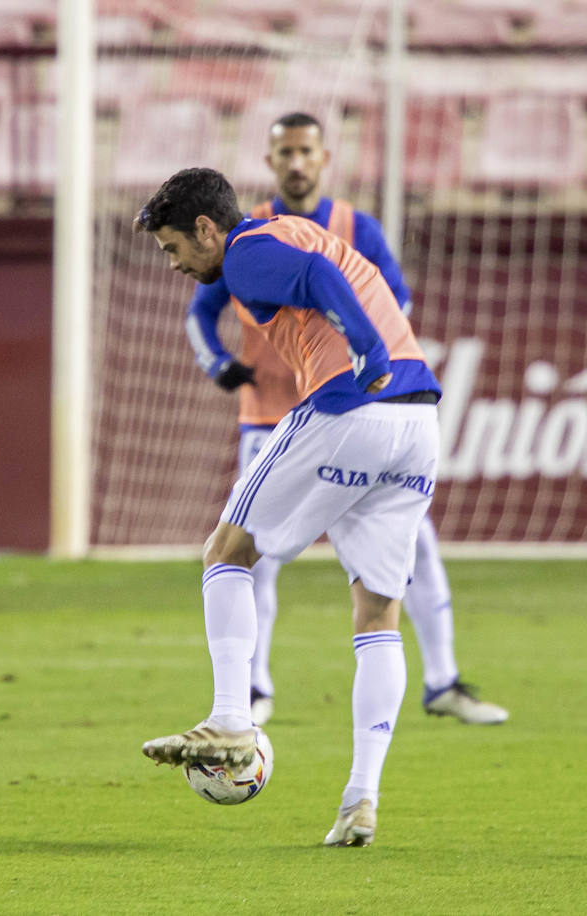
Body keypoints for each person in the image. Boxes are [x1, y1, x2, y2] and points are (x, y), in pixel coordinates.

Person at [137, 167, 441, 847]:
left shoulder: (246, 252)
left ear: (206, 229)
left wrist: (364, 346)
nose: (178, 265)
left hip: (351, 406)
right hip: (419, 425)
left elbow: (317, 282)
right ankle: (361, 800)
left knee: (227, 551)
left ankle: (231, 719)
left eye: (175, 249)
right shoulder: (289, 229)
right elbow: (327, 274)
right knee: (377, 613)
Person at [185, 112, 507, 727]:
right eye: (285, 152)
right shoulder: (240, 235)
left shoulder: (355, 226)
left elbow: (394, 299)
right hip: (271, 412)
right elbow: (202, 312)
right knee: (256, 556)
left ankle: (443, 679)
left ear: (324, 158)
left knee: (411, 548)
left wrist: (357, 339)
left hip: (354, 400)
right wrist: (217, 362)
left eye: (307, 150)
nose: (297, 162)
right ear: (270, 160)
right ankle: (252, 690)